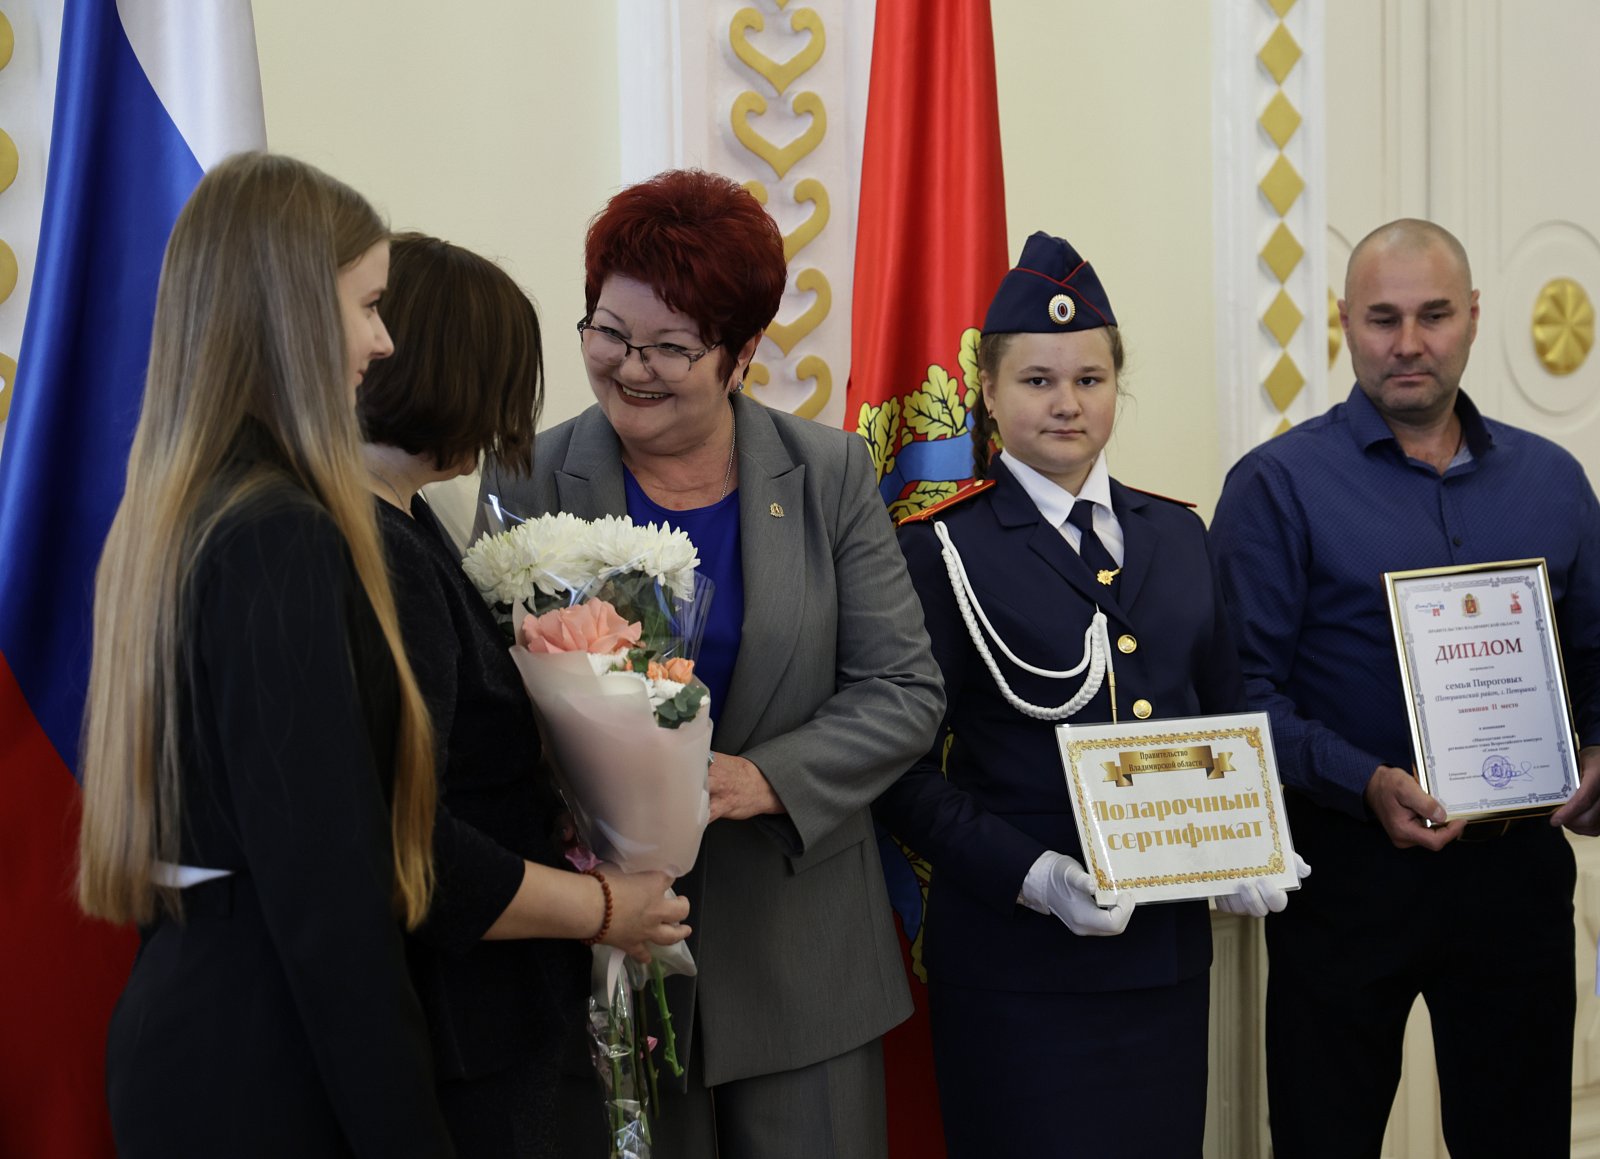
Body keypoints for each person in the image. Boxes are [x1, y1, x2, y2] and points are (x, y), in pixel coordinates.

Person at [477, 168, 944, 1159]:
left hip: (804, 953)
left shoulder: (828, 474)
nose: (631, 367)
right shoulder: (526, 471)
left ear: (742, 354)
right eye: (609, 332)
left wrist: (758, 778)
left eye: (670, 347)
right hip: (609, 954)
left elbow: (904, 690)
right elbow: (487, 704)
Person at [874, 231, 1297, 1157]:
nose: (1067, 402)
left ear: (1116, 386)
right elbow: (899, 774)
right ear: (988, 391)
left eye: (1090, 378)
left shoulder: (1178, 534)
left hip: (1165, 964)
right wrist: (1037, 877)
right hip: (1015, 969)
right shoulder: (940, 548)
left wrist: (1250, 838)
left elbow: (1227, 717)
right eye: (1037, 379)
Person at [75, 153, 455, 1157]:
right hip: (266, 1061)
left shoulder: (180, 509)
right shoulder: (277, 532)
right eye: (368, 305)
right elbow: (328, 899)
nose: (382, 341)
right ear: (290, 308)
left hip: (198, 1025)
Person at [1210, 218, 1600, 1158]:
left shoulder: (1554, 481)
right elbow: (1238, 694)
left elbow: (1594, 655)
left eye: (1434, 315)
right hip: (1346, 876)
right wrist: (1364, 779)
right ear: (1344, 322)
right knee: (1326, 1137)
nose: (1410, 342)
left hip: (1516, 876)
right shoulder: (1277, 485)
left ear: (1474, 316)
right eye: (1383, 318)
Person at [355, 232, 691, 1158]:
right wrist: (605, 907)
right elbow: (415, 834)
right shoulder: (382, 552)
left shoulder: (409, 519)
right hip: (464, 1014)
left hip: (492, 1001)